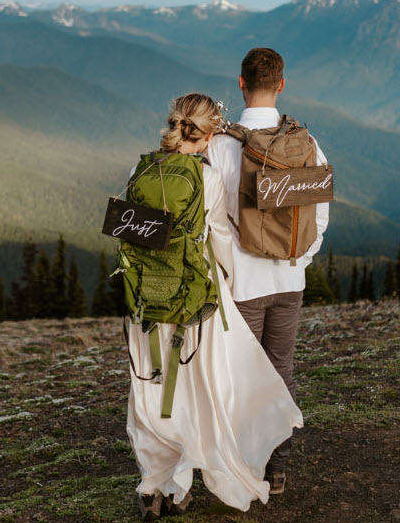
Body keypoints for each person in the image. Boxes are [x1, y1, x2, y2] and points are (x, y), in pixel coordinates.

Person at [125, 93, 303, 520]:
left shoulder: (140, 168)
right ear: (207, 137)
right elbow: (220, 236)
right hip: (193, 300)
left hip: (147, 300)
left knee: (150, 388)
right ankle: (184, 481)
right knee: (192, 393)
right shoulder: (203, 177)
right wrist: (234, 280)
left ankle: (154, 485)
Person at [205, 48, 329, 495]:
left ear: (240, 83)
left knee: (240, 375)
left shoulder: (220, 146)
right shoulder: (307, 142)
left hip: (242, 284)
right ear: (281, 84)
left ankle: (242, 466)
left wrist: (228, 271)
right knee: (281, 370)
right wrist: (299, 259)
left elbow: (210, 219)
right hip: (289, 281)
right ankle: (276, 469)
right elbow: (320, 215)